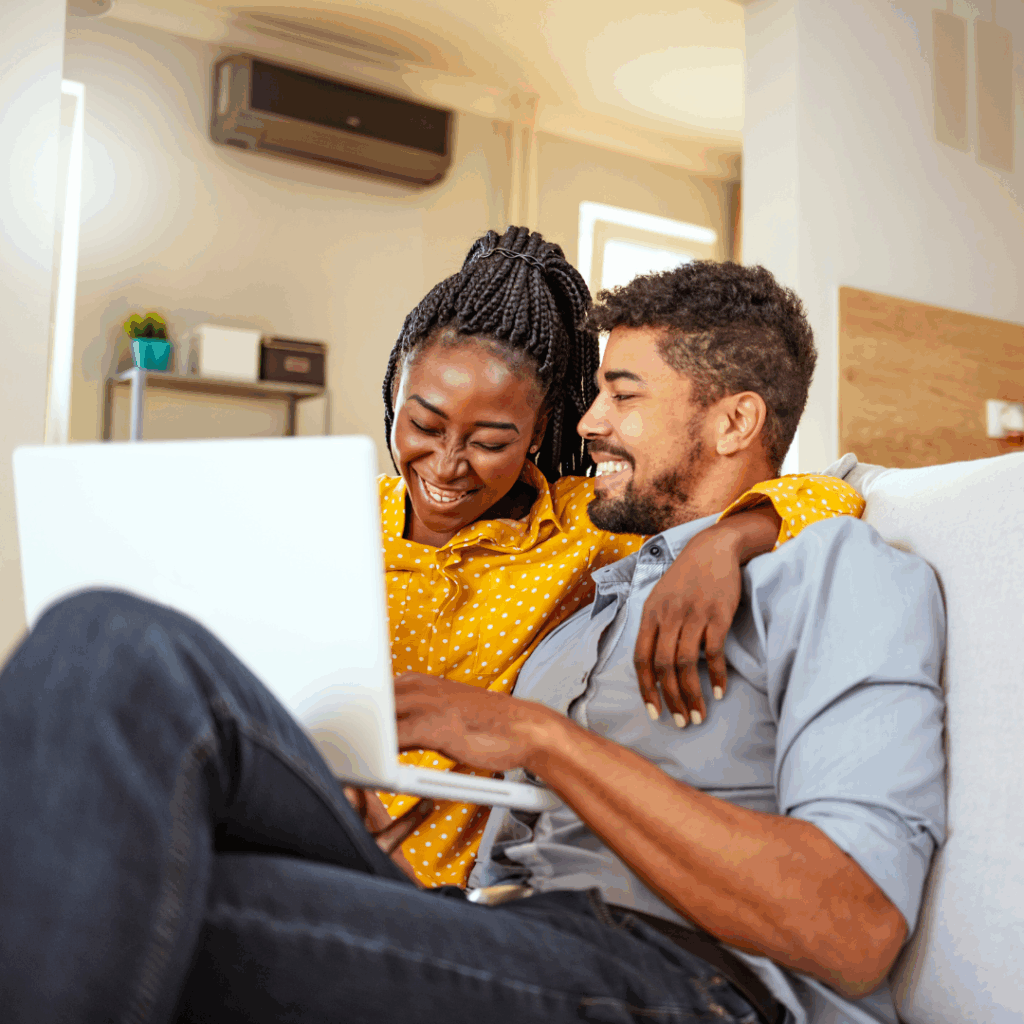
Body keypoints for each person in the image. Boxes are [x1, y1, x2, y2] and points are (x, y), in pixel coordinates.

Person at [0, 260, 944, 1024]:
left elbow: (854, 932)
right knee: (110, 641)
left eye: (620, 393)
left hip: (678, 977)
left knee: (143, 897)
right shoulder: (596, 603)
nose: (588, 422)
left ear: (735, 419)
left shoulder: (833, 571)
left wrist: (537, 737)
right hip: (490, 919)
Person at [374, 226, 864, 886]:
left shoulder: (586, 524)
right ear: (394, 395)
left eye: (490, 440)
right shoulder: (339, 520)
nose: (447, 464)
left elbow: (835, 491)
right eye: (424, 426)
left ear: (539, 431)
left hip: (437, 888)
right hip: (306, 827)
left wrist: (730, 539)